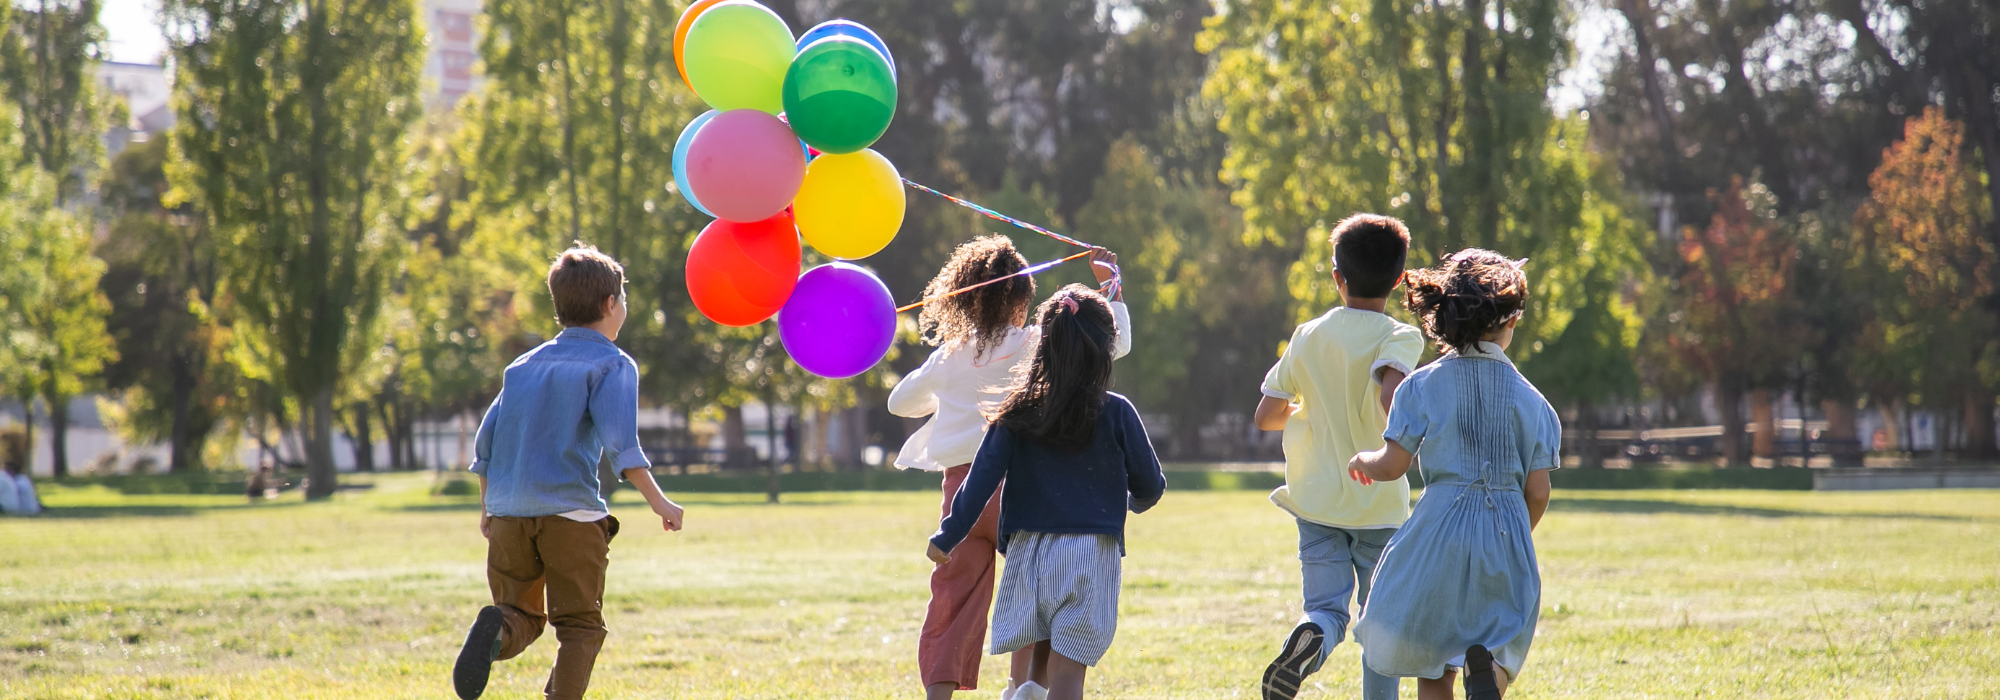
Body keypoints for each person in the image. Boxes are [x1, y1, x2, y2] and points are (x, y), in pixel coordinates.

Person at [889, 236, 1131, 700]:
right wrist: (1111, 288)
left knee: (952, 599)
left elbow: (900, 403)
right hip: (1021, 489)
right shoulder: (1035, 342)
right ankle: (1026, 687)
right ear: (1022, 300)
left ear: (965, 299)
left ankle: (939, 694)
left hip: (961, 494)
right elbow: (1113, 345)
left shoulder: (951, 354)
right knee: (1040, 593)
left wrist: (947, 382)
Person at [452, 246, 688, 700]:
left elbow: (486, 445)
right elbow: (623, 445)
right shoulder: (612, 364)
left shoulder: (522, 366)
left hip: (508, 514)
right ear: (608, 306)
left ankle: (496, 630)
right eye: (622, 297)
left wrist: (488, 508)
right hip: (570, 516)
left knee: (520, 613)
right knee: (580, 627)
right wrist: (661, 502)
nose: (623, 306)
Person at [926, 284, 1165, 700]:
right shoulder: (1118, 411)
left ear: (1044, 345)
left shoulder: (1016, 411)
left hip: (1027, 553)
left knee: (1037, 659)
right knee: (1069, 675)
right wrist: (1133, 502)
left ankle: (1028, 691)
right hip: (1090, 552)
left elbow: (979, 480)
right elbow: (1150, 485)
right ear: (1107, 348)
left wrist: (948, 535)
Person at [1348, 249, 1558, 700]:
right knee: (1500, 643)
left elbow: (1392, 465)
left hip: (1438, 530)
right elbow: (1537, 491)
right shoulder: (1534, 403)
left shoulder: (1420, 386)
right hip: (1505, 533)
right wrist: (1516, 529)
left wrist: (1362, 460)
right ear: (1512, 321)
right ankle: (1489, 676)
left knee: (1433, 657)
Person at [1252, 214, 1424, 700]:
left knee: (1326, 607)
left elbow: (1267, 414)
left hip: (1315, 501)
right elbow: (1393, 397)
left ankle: (1313, 635)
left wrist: (1314, 410)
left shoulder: (1308, 334)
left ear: (1337, 277)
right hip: (1378, 504)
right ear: (1398, 279)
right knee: (1381, 620)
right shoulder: (1400, 337)